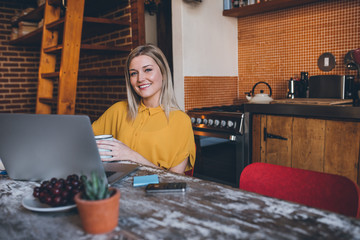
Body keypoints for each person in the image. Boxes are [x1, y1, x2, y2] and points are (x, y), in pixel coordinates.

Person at [92, 44, 195, 174]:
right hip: (118, 190)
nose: (140, 78)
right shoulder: (118, 110)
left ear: (163, 73)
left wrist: (132, 156)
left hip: (154, 192)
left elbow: (176, 180)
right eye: (134, 73)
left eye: (147, 70)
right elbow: (85, 140)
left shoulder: (181, 121)